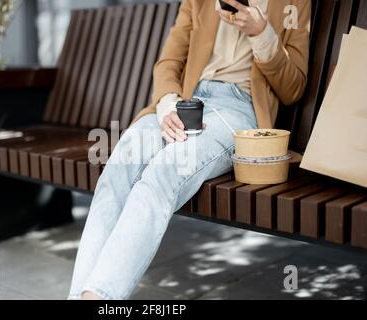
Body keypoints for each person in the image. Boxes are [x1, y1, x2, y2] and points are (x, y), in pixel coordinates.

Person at [68, 0, 311, 300]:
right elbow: (168, 62)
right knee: (118, 168)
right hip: (185, 102)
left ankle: (98, 297)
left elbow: (293, 88)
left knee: (164, 170)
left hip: (237, 110)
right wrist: (168, 105)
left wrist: (261, 32)